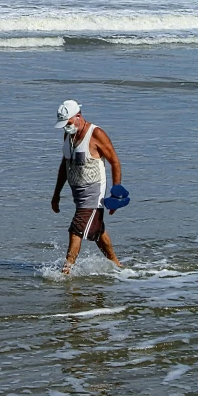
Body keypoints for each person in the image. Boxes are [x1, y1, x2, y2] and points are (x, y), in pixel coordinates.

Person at [51, 100, 123, 274]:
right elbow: (64, 165)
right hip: (78, 195)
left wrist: (116, 194)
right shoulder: (69, 135)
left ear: (78, 116)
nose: (66, 128)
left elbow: (114, 162)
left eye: (67, 123)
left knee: (76, 229)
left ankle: (65, 273)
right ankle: (118, 267)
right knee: (98, 232)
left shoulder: (96, 133)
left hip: (93, 194)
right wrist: (56, 194)